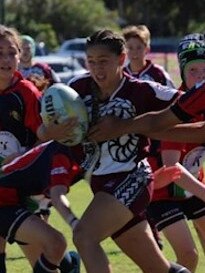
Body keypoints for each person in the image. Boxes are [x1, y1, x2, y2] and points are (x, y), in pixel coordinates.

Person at [67, 29, 191, 273]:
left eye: (104, 61)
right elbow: (44, 129)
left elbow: (189, 103)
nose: (97, 69)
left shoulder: (142, 90)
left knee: (84, 236)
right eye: (91, 62)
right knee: (158, 268)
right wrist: (56, 130)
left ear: (121, 59)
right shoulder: (76, 89)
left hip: (132, 177)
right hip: (100, 184)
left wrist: (130, 125)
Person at [0, 24, 79, 272]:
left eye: (12, 53)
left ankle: (70, 264)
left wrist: (20, 157)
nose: (6, 59)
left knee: (49, 255)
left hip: (18, 192)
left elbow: (43, 139)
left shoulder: (26, 92)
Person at [146, 33, 205, 272]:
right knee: (189, 256)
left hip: (191, 188)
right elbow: (172, 170)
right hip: (161, 194)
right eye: (193, 71)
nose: (201, 77)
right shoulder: (177, 107)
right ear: (181, 72)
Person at [122, 24, 176, 249]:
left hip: (156, 141)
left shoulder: (158, 74)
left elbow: (175, 102)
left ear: (147, 48)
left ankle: (159, 227)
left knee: (156, 184)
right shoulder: (122, 74)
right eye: (130, 47)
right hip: (129, 143)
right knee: (136, 187)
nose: (134, 52)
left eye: (138, 47)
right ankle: (149, 231)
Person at [0, 140, 82, 273]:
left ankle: (70, 265)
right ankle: (70, 265)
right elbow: (56, 194)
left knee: (55, 244)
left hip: (19, 200)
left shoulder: (64, 147)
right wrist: (75, 224)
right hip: (6, 197)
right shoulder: (63, 149)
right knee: (56, 243)